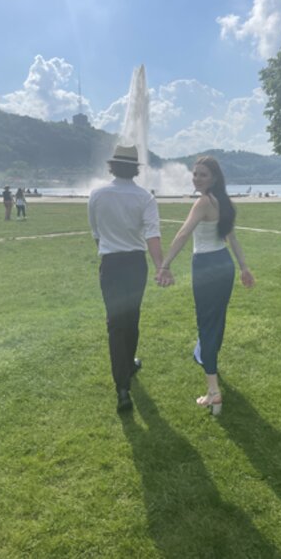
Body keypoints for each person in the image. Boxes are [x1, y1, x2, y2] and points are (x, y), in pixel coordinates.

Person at [157, 156, 255, 415]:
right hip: (223, 265)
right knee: (216, 321)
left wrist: (164, 265)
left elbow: (183, 233)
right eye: (195, 174)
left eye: (202, 174)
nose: (196, 178)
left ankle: (213, 391)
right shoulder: (223, 202)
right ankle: (210, 365)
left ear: (214, 178)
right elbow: (232, 238)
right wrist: (243, 267)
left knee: (207, 324)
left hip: (207, 266)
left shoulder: (203, 202)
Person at [88, 144, 172, 413]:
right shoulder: (144, 197)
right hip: (136, 264)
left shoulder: (97, 195)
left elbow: (96, 234)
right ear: (135, 169)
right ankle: (128, 367)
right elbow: (152, 235)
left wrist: (109, 250)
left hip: (111, 263)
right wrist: (161, 267)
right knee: (132, 317)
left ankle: (122, 386)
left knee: (115, 323)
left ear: (112, 167)